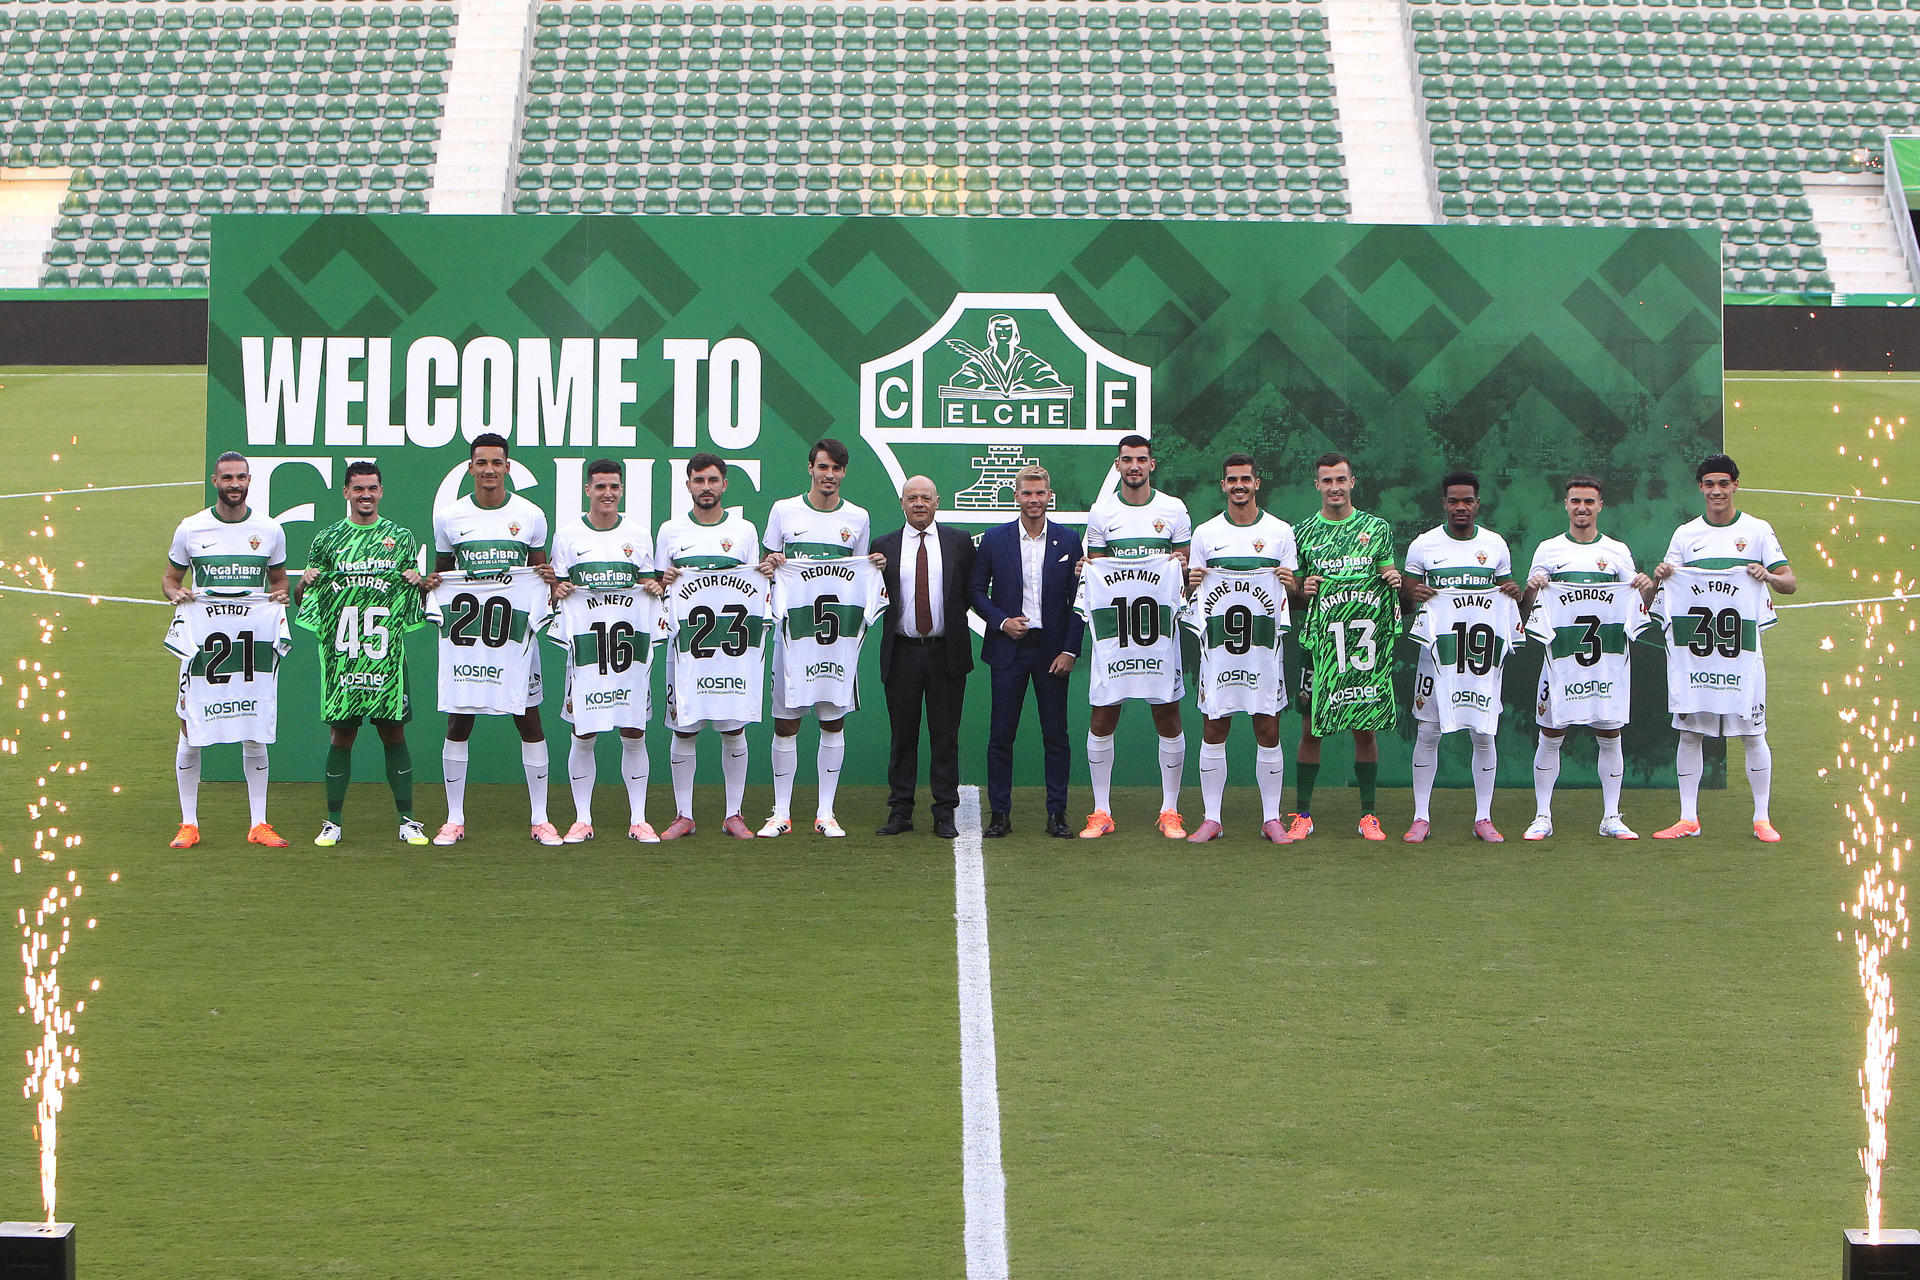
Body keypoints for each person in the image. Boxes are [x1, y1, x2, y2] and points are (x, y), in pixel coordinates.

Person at [1645, 454, 1796, 842]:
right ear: (1700, 487)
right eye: (1709, 484)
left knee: (1753, 733)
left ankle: (1762, 818)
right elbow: (1664, 587)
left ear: (1735, 486)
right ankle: (1688, 818)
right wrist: (1662, 576)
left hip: (1742, 656)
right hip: (1696, 658)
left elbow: (1790, 582)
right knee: (1689, 733)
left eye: (1723, 484)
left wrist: (1767, 575)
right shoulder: (1686, 534)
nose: (1716, 491)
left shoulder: (1757, 530)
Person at [420, 432, 556, 846]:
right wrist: (433, 584)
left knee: (528, 718)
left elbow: (539, 576)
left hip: (514, 638)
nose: (489, 470)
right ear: (470, 468)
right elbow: (444, 573)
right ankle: (454, 818)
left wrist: (548, 577)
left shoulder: (530, 515)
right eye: (482, 462)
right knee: (459, 719)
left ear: (508, 467)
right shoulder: (450, 517)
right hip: (468, 639)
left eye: (497, 462)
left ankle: (540, 819)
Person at [291, 460, 430, 848]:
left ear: (381, 492)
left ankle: (407, 820)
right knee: (342, 735)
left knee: (394, 732)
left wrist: (418, 583)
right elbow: (304, 600)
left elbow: (416, 597)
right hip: (342, 658)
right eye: (358, 488)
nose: (365, 495)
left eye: (372, 488)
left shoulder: (399, 537)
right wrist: (303, 583)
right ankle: (332, 822)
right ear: (346, 492)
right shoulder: (327, 539)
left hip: (387, 657)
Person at [162, 450, 291, 849]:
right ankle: (188, 823)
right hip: (205, 643)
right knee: (191, 725)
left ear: (249, 480)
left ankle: (259, 823)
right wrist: (176, 594)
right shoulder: (191, 529)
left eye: (241, 477)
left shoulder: (269, 530)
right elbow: (169, 579)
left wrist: (279, 597)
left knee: (254, 725)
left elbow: (279, 581)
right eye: (228, 478)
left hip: (251, 644)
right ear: (215, 481)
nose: (235, 484)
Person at [756, 438, 884, 839]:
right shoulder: (783, 510)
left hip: (835, 640)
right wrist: (771, 563)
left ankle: (825, 813)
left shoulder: (858, 518)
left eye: (836, 469)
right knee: (785, 723)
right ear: (810, 468)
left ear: (844, 473)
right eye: (823, 467)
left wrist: (874, 565)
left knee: (833, 722)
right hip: (793, 637)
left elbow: (859, 572)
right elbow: (764, 568)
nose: (829, 475)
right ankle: (781, 812)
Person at [1517, 476, 1654, 841]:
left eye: (1589, 502)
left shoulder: (1616, 551)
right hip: (1561, 662)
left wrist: (1646, 588)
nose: (1582, 508)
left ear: (1600, 506)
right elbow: (1527, 610)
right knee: (1551, 734)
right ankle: (1542, 816)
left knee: (1610, 733)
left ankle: (1611, 816)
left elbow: (1639, 604)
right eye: (1575, 501)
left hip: (1606, 662)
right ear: (1566, 505)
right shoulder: (1548, 550)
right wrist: (1533, 589)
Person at [1079, 434, 1192, 839]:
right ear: (1117, 465)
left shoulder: (1173, 509)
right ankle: (1101, 811)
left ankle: (1170, 810)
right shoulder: (1102, 512)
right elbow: (1098, 572)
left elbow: (1186, 572)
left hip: (1159, 634)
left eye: (1141, 459)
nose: (1134, 466)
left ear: (1152, 464)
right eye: (1127, 460)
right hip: (1115, 633)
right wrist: (1087, 570)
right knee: (1103, 715)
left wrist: (1180, 566)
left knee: (1168, 715)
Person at [1401, 470, 1522, 844]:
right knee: (1428, 731)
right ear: (1444, 504)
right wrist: (1413, 595)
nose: (1460, 507)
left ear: (1477, 504)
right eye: (1453, 500)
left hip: (1479, 660)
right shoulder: (1424, 545)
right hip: (1438, 656)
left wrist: (1513, 594)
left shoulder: (1495, 545)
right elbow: (1405, 599)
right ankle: (1420, 817)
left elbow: (1506, 594)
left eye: (1467, 500)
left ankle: (1483, 817)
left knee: (1483, 732)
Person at [1183, 454, 1298, 843]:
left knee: (1268, 726)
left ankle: (1271, 819)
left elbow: (1292, 590)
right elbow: (1191, 593)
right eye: (1232, 479)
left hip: (1263, 649)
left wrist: (1290, 583)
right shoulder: (1206, 533)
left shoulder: (1280, 531)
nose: (1239, 485)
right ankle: (1212, 818)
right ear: (1223, 485)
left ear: (1257, 483)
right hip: (1219, 650)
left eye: (1245, 479)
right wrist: (1192, 582)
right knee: (1214, 725)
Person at [547, 460, 663, 844]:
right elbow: (555, 590)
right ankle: (582, 819)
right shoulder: (568, 536)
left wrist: (652, 587)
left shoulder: (638, 535)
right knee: (584, 732)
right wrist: (560, 590)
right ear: (587, 490)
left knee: (634, 730)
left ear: (622, 490)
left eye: (614, 486)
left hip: (628, 653)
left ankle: (638, 819)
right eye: (600, 487)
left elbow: (647, 582)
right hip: (587, 653)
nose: (608, 493)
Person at [1287, 453, 1401, 842]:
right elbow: (1294, 594)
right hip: (1321, 646)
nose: (1334, 487)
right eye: (1327, 481)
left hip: (1363, 648)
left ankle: (1368, 815)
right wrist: (1302, 589)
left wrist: (1392, 578)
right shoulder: (1302, 532)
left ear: (1352, 482)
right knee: (1311, 729)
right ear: (1316, 485)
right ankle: (1303, 814)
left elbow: (1386, 575)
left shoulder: (1376, 528)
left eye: (1341, 479)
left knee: (1364, 729)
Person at [654, 453, 765, 840]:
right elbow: (657, 590)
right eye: (698, 480)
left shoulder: (744, 531)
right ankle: (683, 815)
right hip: (686, 649)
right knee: (684, 728)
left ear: (725, 484)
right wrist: (664, 581)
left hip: (731, 649)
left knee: (733, 729)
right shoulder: (670, 530)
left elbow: (754, 585)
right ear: (688, 485)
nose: (706, 487)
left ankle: (734, 814)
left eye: (713, 480)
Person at [969, 465, 1083, 839]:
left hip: (1052, 651)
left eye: (1040, 493)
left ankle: (1057, 814)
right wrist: (1002, 622)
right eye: (1027, 493)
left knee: (1056, 736)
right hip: (1008, 649)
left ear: (1050, 496)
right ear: (1016, 496)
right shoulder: (994, 539)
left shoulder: (1068, 540)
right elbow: (975, 591)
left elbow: (1080, 599)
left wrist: (1070, 650)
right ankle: (999, 815)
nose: (1034, 500)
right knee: (1001, 736)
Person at [874, 475, 976, 839]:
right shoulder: (883, 546)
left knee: (945, 736)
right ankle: (900, 810)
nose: (919, 503)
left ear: (937, 502)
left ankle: (944, 812)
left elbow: (971, 591)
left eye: (926, 497)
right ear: (902, 503)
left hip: (945, 652)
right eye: (912, 497)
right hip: (902, 651)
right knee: (903, 736)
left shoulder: (959, 542)